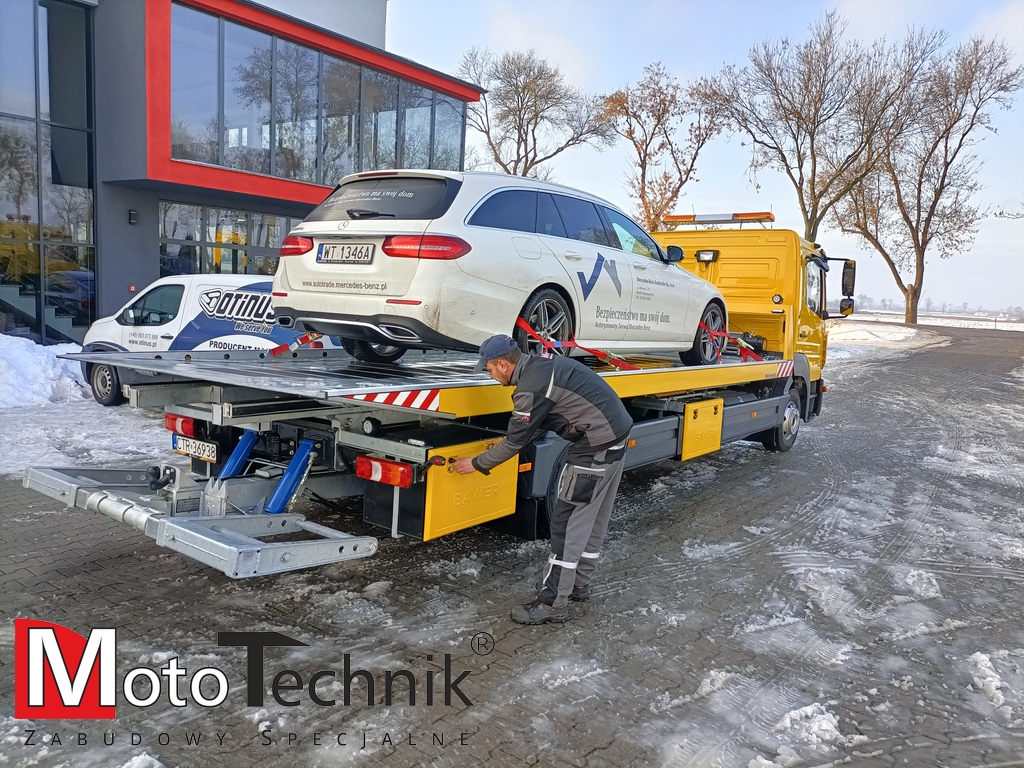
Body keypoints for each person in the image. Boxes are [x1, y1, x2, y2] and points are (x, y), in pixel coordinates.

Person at [454, 335, 633, 624]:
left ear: (503, 365)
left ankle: (553, 603)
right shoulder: (541, 367)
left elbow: (515, 442)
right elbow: (535, 425)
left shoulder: (529, 388)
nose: (490, 375)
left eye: (489, 369)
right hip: (613, 437)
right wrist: (509, 443)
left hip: (595, 447)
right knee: (593, 518)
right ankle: (578, 584)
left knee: (566, 523)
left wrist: (476, 463)